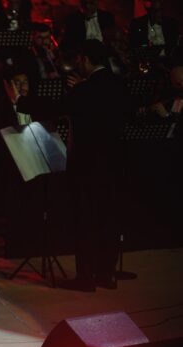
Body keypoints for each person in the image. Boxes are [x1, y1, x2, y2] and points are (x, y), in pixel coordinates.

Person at [58, 40, 130, 292]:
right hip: (114, 162)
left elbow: (66, 112)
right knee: (108, 219)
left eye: (79, 59)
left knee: (86, 220)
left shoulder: (83, 90)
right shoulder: (119, 85)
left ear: (86, 60)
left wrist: (77, 90)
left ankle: (85, 277)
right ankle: (106, 274)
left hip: (87, 165)